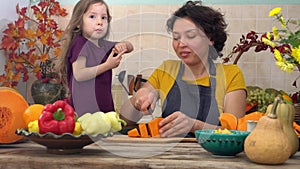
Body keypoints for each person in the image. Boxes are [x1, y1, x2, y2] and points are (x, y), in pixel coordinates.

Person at [120, 1, 246, 138]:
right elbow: (124, 122)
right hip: (169, 155)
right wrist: (139, 99)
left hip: (213, 157)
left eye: (190, 36)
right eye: (176, 37)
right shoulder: (166, 69)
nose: (181, 44)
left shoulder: (230, 74)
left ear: (210, 38)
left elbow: (236, 133)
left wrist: (194, 126)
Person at [58, 0, 133, 117]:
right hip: (85, 111)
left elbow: (130, 47)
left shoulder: (103, 45)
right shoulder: (80, 44)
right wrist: (107, 66)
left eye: (104, 18)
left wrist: (123, 44)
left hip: (104, 109)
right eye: (92, 16)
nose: (100, 22)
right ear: (78, 23)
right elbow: (79, 74)